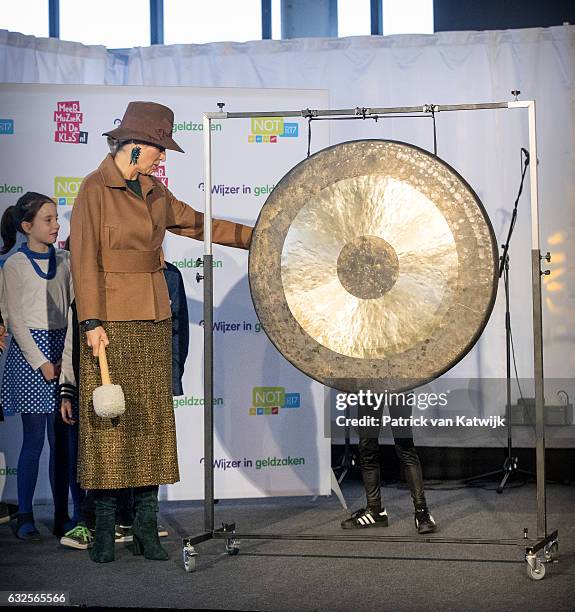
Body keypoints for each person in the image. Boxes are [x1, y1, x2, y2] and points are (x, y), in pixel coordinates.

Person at [70, 101, 252, 563]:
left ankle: (148, 527)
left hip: (153, 316)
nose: (162, 157)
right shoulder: (94, 188)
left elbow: (198, 225)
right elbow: (83, 258)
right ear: (135, 146)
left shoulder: (154, 191)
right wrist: (90, 321)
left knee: (151, 420)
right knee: (110, 424)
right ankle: (106, 530)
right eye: (158, 148)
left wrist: (261, 234)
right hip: (108, 322)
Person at [0, 192, 75, 540]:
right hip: (31, 358)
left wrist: (63, 359)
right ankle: (25, 513)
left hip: (63, 352)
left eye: (57, 218)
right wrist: (42, 362)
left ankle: (65, 514)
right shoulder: (14, 265)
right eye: (48, 220)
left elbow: (73, 309)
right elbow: (15, 320)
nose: (56, 225)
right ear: (27, 227)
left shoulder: (66, 260)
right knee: (34, 441)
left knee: (63, 442)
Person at [340, 394, 437, 533]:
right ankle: (374, 511)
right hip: (369, 383)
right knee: (367, 447)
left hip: (398, 381)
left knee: (404, 445)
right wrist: (346, 386)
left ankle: (422, 512)